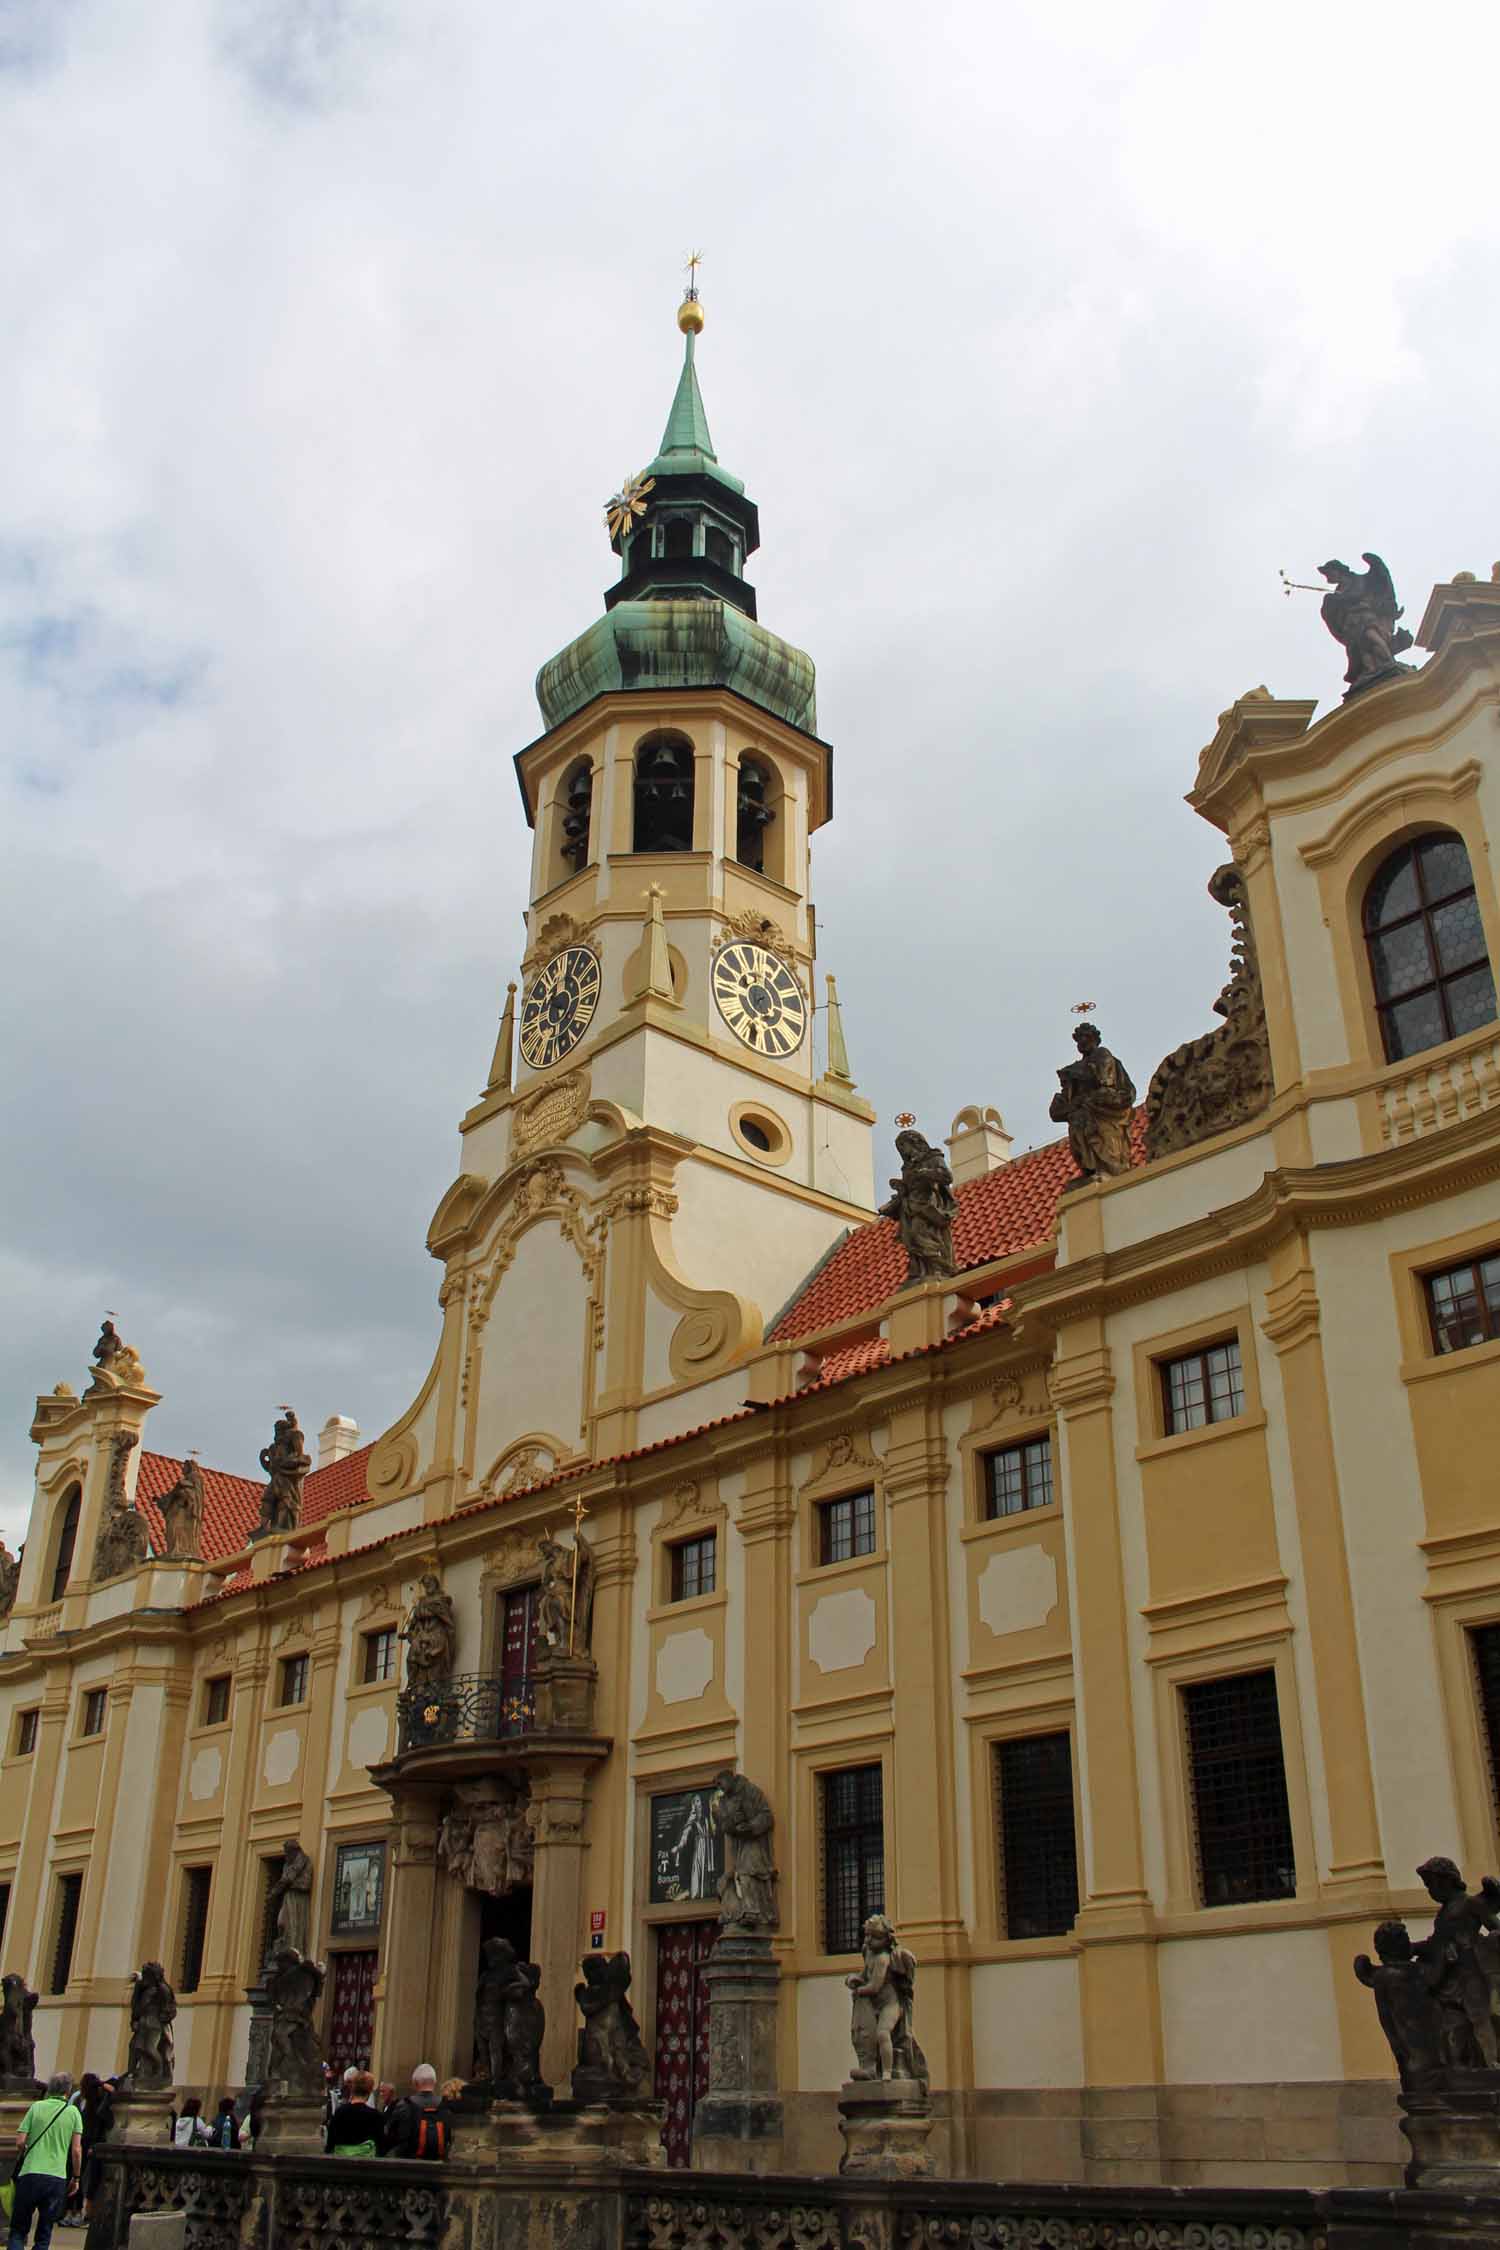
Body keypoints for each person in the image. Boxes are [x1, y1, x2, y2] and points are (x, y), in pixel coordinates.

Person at [6, 2070, 82, 2250]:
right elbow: (77, 2151)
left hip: (29, 2174)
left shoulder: (36, 2107)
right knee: (44, 2232)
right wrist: (76, 2177)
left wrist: (28, 2151)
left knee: (18, 2230)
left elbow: (20, 2141)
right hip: (56, 2178)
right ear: (68, 2091)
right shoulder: (73, 2113)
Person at [59, 2075, 111, 2229]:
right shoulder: (77, 2099)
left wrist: (101, 2085)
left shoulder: (97, 2101)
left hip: (88, 2143)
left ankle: (77, 2211)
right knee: (73, 2176)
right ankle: (69, 2211)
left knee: (82, 2178)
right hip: (77, 2141)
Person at [378, 2064, 455, 2160]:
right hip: (437, 2161)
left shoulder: (404, 2105)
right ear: (435, 2082)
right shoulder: (446, 2107)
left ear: (415, 2083)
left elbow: (390, 2133)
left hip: (408, 2161)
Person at [324, 2070, 380, 2158]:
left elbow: (330, 2141)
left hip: (342, 2164)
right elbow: (380, 2145)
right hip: (367, 2166)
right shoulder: (376, 2116)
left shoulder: (340, 2112)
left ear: (353, 2088)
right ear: (369, 2090)